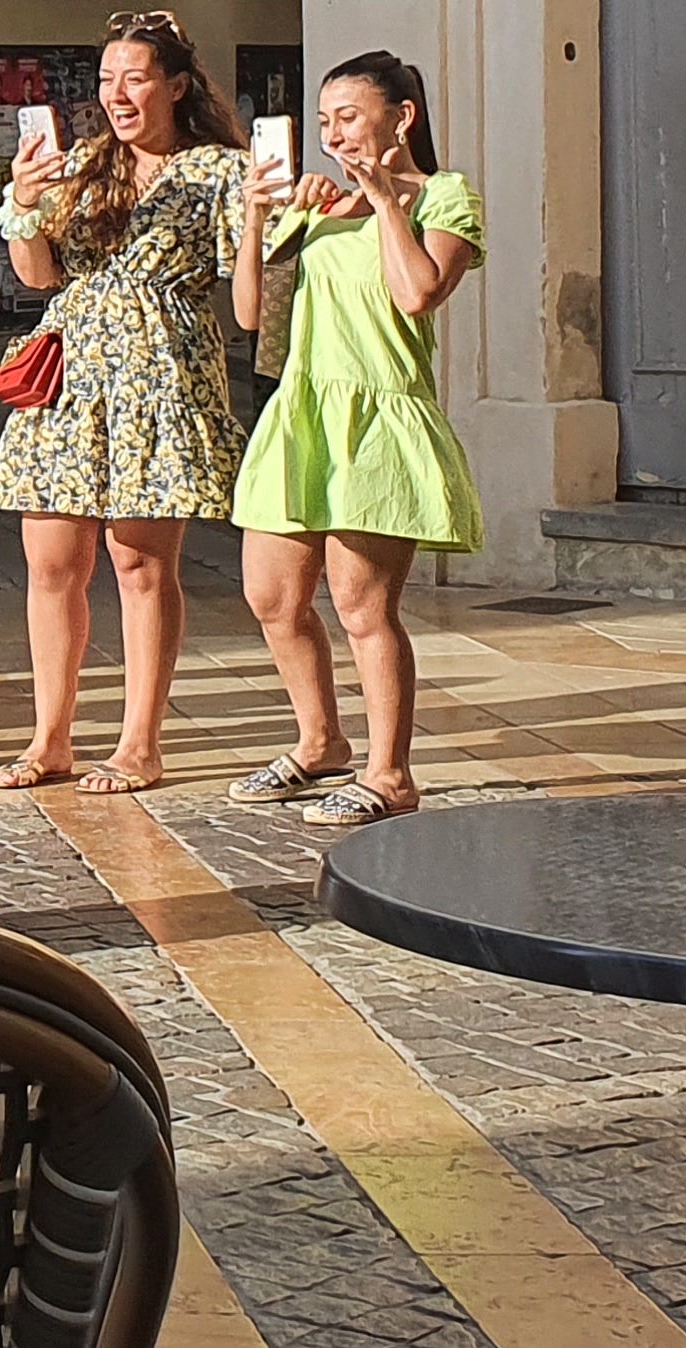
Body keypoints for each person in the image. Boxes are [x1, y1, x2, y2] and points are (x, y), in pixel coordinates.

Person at [0, 11, 248, 797]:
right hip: (71, 371)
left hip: (160, 373)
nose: (117, 94)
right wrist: (24, 199)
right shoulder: (84, 162)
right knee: (51, 562)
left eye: (135, 78)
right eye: (106, 80)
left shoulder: (220, 171)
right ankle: (50, 737)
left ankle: (139, 743)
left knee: (140, 562)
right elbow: (38, 275)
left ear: (177, 86)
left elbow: (247, 280)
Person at [225, 53, 483, 826]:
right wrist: (258, 218)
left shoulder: (444, 195)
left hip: (379, 422)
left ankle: (390, 774)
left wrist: (381, 200)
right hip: (302, 415)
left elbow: (418, 292)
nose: (333, 135)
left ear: (401, 118)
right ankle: (319, 741)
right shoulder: (316, 205)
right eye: (325, 121)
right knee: (272, 596)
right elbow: (251, 316)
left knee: (362, 606)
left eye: (348, 117)